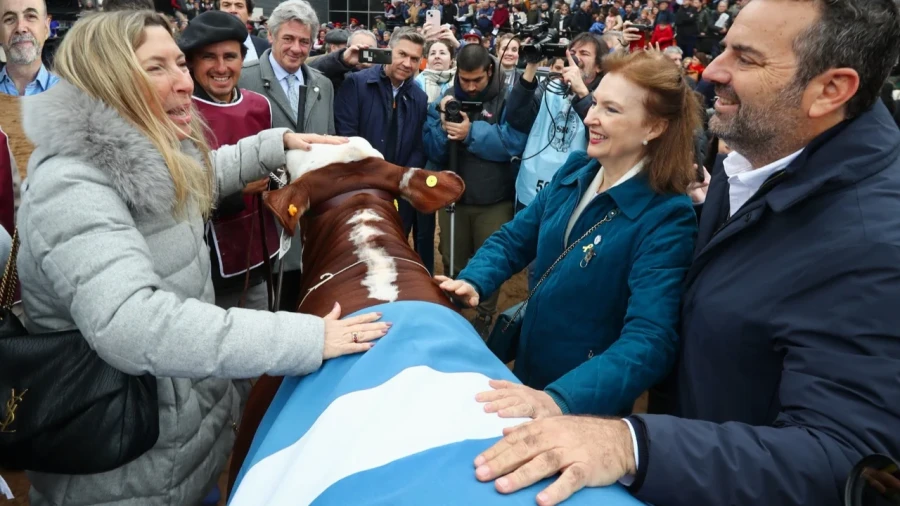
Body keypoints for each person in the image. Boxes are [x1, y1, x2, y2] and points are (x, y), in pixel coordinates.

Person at [470, 1, 900, 505]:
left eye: (747, 57)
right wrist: (474, 279)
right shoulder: (745, 168)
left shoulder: (875, 244)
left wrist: (632, 443)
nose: (713, 69)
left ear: (831, 90)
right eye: (724, 47)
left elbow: (846, 459)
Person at [17, 10, 389, 506]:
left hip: (180, 446)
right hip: (121, 470)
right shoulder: (70, 185)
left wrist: (276, 145)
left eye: (178, 63)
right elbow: (135, 325)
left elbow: (195, 178)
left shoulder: (149, 150)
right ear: (106, 81)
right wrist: (304, 337)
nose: (182, 83)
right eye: (156, 68)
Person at [438, 49, 699, 419]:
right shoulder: (576, 170)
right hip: (529, 371)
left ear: (654, 127)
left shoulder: (668, 217)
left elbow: (649, 340)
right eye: (596, 103)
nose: (590, 117)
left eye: (611, 109)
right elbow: (514, 239)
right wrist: (475, 281)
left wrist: (561, 399)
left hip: (582, 406)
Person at [422, 43, 531, 336]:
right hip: (452, 198)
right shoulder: (446, 97)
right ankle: (454, 309)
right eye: (464, 80)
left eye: (477, 80)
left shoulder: (507, 98)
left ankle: (484, 315)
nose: (469, 88)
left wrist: (471, 133)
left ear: (490, 71)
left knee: (490, 262)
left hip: (494, 200)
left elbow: (513, 143)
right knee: (451, 257)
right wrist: (445, 129)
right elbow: (431, 147)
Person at [179, 10, 281, 311]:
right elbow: (178, 194)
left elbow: (276, 172)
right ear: (192, 63)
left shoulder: (259, 105)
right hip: (207, 263)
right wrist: (239, 190)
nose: (221, 67)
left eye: (230, 56)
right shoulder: (180, 113)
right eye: (209, 57)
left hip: (261, 250)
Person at [238, 0, 336, 310]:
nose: (296, 48)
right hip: (259, 222)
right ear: (271, 35)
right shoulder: (244, 79)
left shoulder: (323, 85)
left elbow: (328, 142)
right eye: (288, 39)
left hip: (308, 221)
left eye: (304, 41)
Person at [333, 28, 432, 270]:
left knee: (393, 254)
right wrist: (373, 178)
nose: (407, 63)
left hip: (398, 191)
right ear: (388, 52)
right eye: (402, 54)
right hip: (358, 188)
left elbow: (419, 146)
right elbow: (346, 136)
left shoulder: (419, 97)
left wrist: (399, 180)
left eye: (414, 59)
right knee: (355, 256)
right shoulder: (356, 83)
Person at [510, 32, 608, 212]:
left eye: (584, 54)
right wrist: (531, 65)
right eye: (572, 52)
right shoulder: (549, 86)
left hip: (572, 194)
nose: (575, 58)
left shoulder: (607, 95)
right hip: (532, 188)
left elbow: (605, 133)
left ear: (599, 66)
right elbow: (516, 118)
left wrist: (582, 93)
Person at [0, 0, 58, 96]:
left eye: (31, 16)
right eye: (9, 19)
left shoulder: (71, 96)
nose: (20, 28)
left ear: (46, 27)